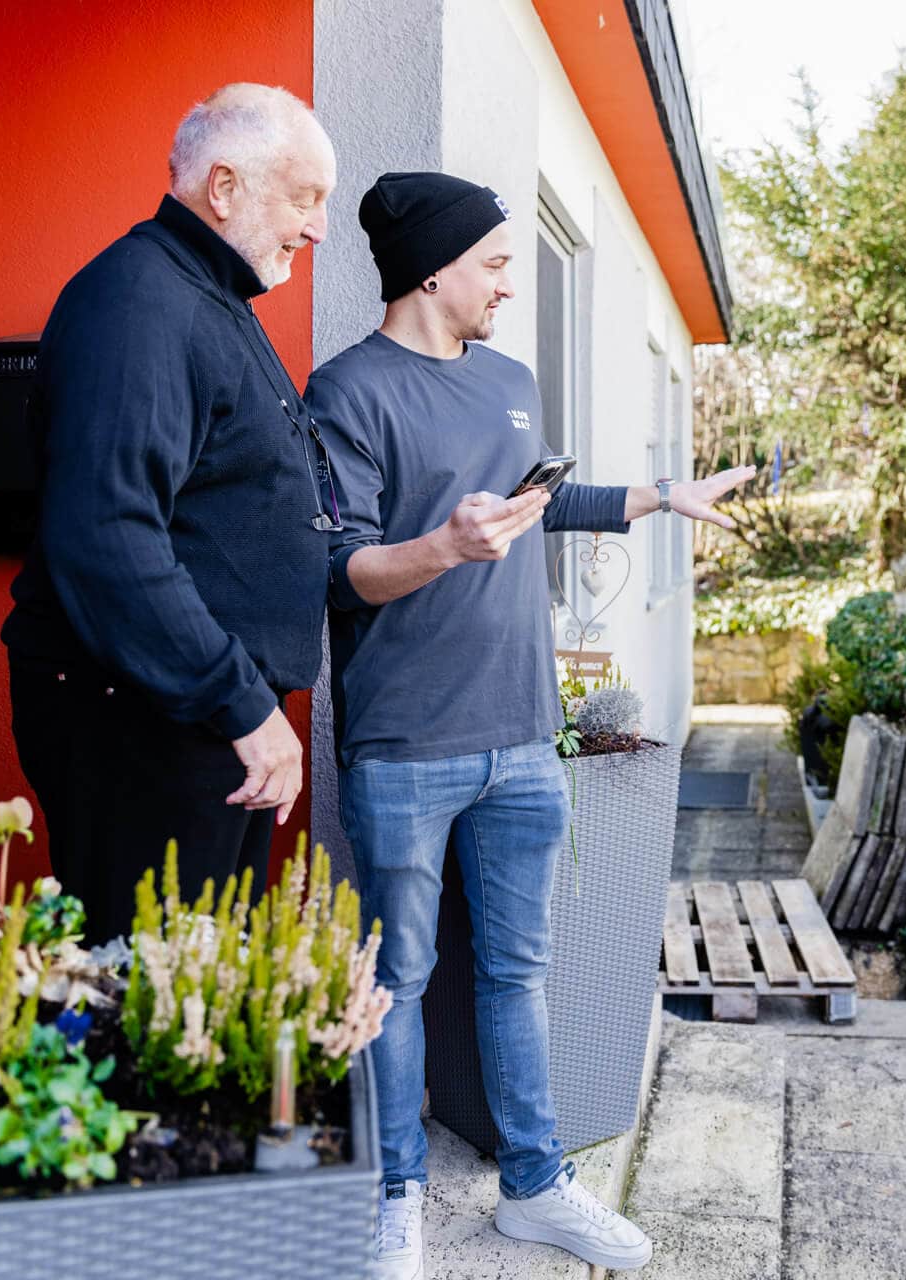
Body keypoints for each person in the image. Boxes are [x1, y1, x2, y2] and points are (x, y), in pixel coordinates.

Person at [308, 171, 754, 1279]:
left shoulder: (511, 380)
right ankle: (396, 1195)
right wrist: (443, 548)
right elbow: (336, 573)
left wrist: (657, 498)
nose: (510, 280)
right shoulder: (346, 392)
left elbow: (536, 500)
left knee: (518, 972)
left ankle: (536, 1185)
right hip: (405, 746)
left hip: (523, 732)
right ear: (431, 269)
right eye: (496, 262)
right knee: (398, 979)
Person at [2, 84, 338, 942]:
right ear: (223, 188)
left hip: (194, 722)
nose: (318, 228)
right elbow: (107, 539)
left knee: (196, 1005)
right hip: (149, 726)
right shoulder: (139, 305)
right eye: (306, 198)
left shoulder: (205, 294)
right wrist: (243, 707)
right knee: (154, 1006)